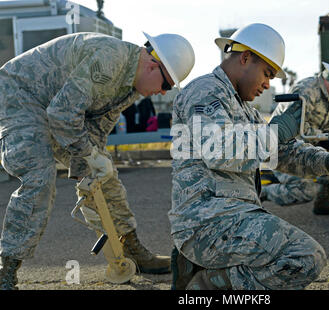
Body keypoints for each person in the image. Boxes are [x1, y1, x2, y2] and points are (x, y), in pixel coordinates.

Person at [169, 23, 329, 290]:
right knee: (304, 256)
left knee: (300, 256)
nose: (267, 84)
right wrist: (274, 132)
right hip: (206, 221)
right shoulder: (205, 91)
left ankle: (210, 275)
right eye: (267, 73)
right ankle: (205, 285)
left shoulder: (244, 108)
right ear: (245, 58)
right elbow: (217, 150)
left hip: (233, 215)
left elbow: (281, 152)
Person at [0, 31, 195, 290]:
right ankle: (7, 268)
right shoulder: (110, 60)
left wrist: (90, 166)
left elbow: (96, 129)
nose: (161, 93)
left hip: (52, 107)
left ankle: (130, 247)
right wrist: (86, 155)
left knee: (104, 173)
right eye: (166, 85)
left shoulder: (131, 85)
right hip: (18, 96)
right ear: (152, 65)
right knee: (40, 175)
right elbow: (62, 113)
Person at [260, 59, 329, 215]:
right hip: (281, 149)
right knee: (304, 191)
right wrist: (325, 136)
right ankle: (263, 192)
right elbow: (297, 128)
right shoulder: (306, 90)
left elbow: (327, 127)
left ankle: (323, 201)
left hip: (305, 149)